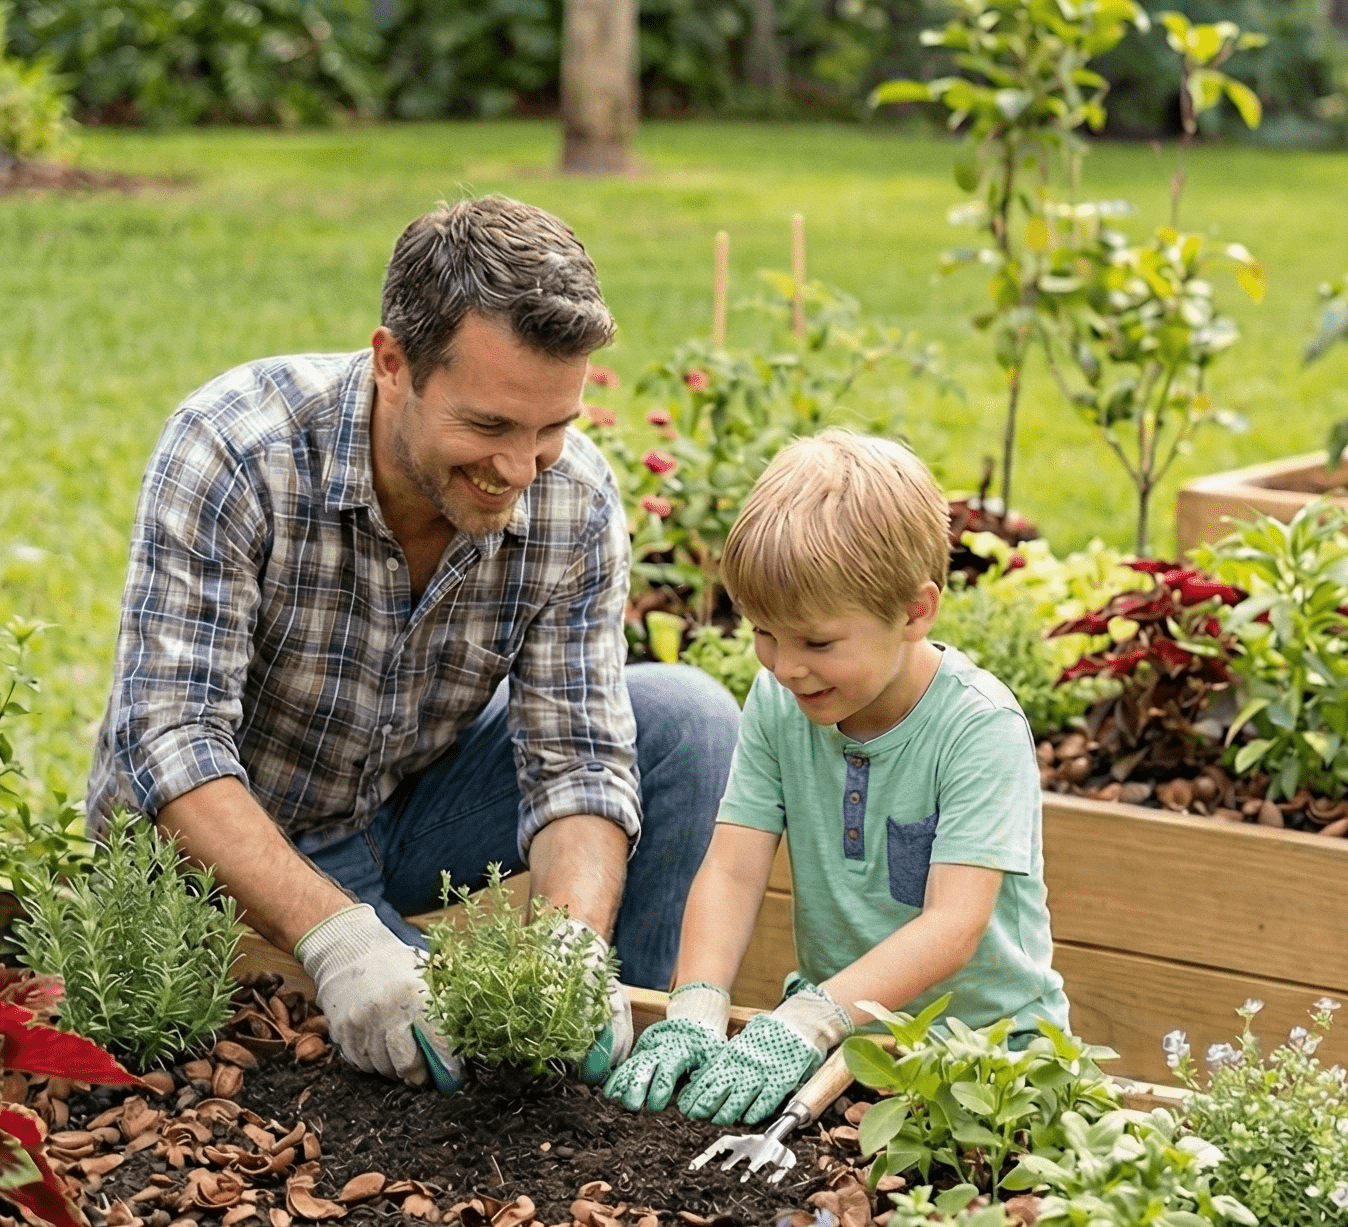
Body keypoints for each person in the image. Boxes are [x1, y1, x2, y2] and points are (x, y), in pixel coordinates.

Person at [88, 194, 739, 1090]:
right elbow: (168, 742)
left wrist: (568, 944)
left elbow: (578, 761)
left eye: (553, 427)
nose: (521, 470)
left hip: (402, 807)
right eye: (489, 426)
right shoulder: (238, 448)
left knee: (689, 720)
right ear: (393, 364)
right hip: (231, 842)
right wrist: (342, 938)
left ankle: (629, 1067)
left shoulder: (572, 500)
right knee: (440, 1069)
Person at [605, 429, 1069, 1124]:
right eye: (764, 633)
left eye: (818, 642)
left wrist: (811, 1019)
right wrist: (698, 1003)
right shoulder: (779, 702)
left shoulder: (978, 729)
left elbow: (953, 924)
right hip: (843, 1051)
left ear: (915, 612)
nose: (785, 666)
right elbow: (733, 869)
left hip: (991, 1066)